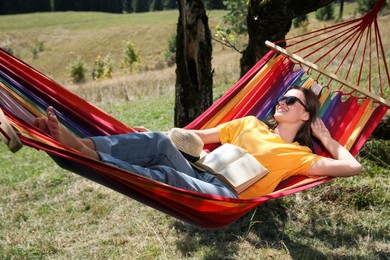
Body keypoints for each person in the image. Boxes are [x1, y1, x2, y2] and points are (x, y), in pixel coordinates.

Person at [34, 86, 362, 199]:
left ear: (306, 116)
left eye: (291, 101)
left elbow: (352, 166)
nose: (282, 102)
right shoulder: (248, 123)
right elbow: (194, 138)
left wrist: (328, 139)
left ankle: (80, 151)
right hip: (200, 169)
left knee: (169, 176)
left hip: (225, 195)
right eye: (281, 97)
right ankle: (80, 145)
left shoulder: (299, 155)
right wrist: (156, 136)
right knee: (160, 144)